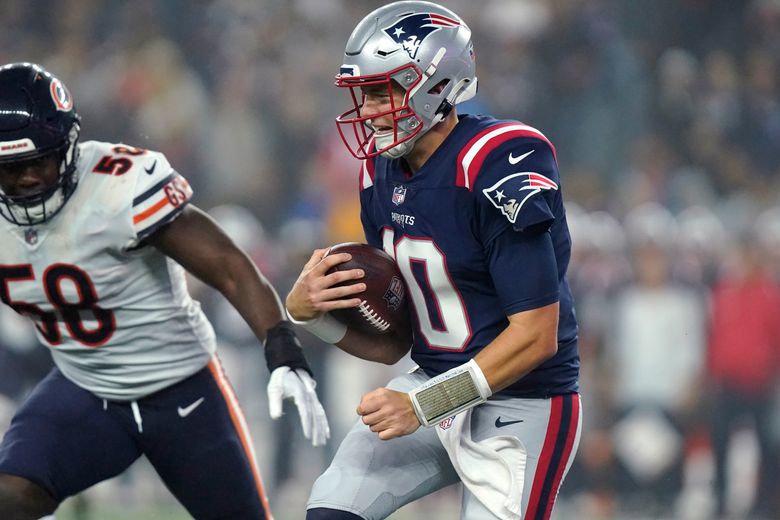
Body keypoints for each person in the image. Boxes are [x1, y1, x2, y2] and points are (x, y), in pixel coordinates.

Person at [285, 2, 581, 519]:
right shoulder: (380, 174)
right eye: (364, 94)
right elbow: (398, 339)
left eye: (384, 91)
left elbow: (537, 334)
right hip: (432, 385)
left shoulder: (496, 160)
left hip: (523, 403)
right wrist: (309, 315)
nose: (370, 109)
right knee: (331, 512)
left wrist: (423, 406)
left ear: (437, 84)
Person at [0, 62, 329, 520]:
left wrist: (281, 346)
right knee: (10, 495)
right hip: (84, 387)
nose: (25, 178)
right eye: (10, 167)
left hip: (182, 389)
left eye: (38, 159)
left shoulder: (118, 185)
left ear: (68, 145)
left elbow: (228, 266)